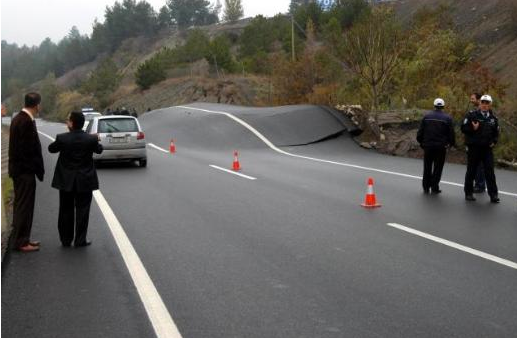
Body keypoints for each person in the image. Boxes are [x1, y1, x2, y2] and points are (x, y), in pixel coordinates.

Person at [48, 112, 103, 247]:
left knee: (65, 210)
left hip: (66, 181)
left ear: (72, 123)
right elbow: (99, 150)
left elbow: (51, 149)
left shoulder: (62, 138)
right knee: (83, 210)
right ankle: (80, 240)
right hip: (85, 180)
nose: (67, 122)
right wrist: (97, 139)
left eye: (68, 120)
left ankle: (66, 240)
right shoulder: (91, 139)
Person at [8, 92, 44, 252]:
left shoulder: (18, 119)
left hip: (18, 170)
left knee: (21, 205)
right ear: (37, 105)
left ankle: (21, 238)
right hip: (24, 172)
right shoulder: (26, 121)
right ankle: (21, 242)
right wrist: (35, 168)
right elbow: (28, 150)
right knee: (24, 206)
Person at [461, 95, 500, 203]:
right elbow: (463, 128)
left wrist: (494, 142)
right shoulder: (472, 115)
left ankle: (493, 195)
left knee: (490, 172)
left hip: (487, 149)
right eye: (483, 102)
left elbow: (496, 133)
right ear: (480, 103)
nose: (484, 105)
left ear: (490, 104)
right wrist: (473, 128)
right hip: (474, 148)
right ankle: (468, 193)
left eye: (487, 103)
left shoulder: (493, 118)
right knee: (471, 171)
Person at [417, 98, 456, 194]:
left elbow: (420, 133)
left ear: (434, 106)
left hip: (428, 146)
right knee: (438, 168)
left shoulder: (426, 117)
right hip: (441, 147)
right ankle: (434, 187)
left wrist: (422, 143)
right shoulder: (447, 118)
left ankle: (426, 187)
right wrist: (450, 144)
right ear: (443, 106)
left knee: (427, 167)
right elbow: (451, 134)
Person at [468, 93, 487, 193]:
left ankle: (480, 185)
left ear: (479, 100)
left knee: (479, 166)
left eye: (473, 99)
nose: (471, 100)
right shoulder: (475, 112)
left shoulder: (483, 113)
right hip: (475, 143)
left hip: (481, 144)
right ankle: (479, 184)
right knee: (478, 166)